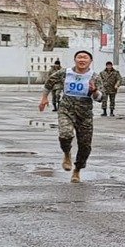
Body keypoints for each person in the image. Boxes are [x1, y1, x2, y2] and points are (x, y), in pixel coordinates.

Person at [38, 50, 100, 183]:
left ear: (90, 61)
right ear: (75, 60)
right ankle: (67, 154)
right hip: (66, 108)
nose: (82, 60)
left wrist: (94, 91)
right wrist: (44, 98)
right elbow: (49, 83)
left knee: (85, 146)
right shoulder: (65, 73)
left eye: (85, 58)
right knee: (65, 134)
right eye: (79, 57)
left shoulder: (94, 76)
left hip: (85, 114)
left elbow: (101, 98)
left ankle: (77, 170)